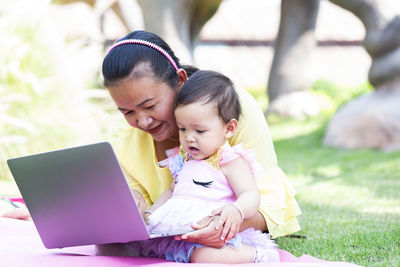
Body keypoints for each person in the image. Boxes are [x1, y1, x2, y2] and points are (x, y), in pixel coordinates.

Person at [101, 30, 301, 248]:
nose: (143, 121)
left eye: (149, 106)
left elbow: (270, 201)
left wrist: (220, 226)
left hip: (228, 233)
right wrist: (135, 207)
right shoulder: (123, 138)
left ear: (180, 80)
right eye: (127, 112)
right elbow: (146, 216)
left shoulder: (228, 108)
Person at [120, 69, 280, 263]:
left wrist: (236, 210)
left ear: (228, 129)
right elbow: (172, 191)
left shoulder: (230, 160)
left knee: (202, 255)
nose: (189, 137)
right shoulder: (184, 159)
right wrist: (150, 214)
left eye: (200, 130)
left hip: (213, 234)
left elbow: (250, 194)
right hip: (181, 230)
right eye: (182, 128)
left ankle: (253, 254)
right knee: (133, 247)